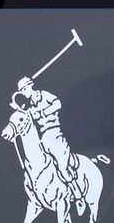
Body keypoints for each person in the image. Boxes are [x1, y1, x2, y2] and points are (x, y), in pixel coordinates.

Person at [13, 76, 85, 214]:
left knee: (62, 167)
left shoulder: (44, 95)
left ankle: (78, 195)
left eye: (23, 89)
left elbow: (58, 104)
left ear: (29, 86)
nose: (23, 92)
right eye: (21, 91)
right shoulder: (29, 105)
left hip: (54, 134)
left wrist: (41, 112)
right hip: (42, 139)